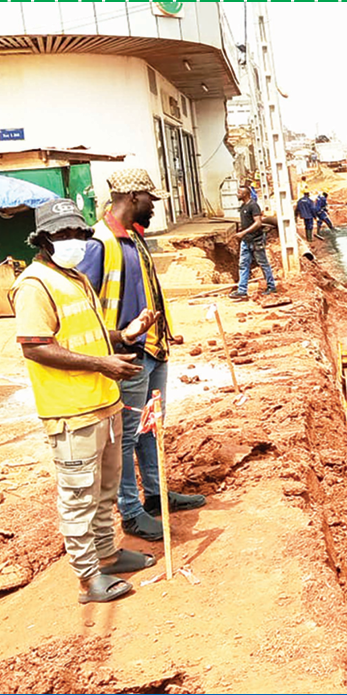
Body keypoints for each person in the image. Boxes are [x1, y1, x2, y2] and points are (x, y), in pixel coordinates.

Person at [11, 198, 161, 603]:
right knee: (78, 495)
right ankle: (87, 576)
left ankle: (107, 554)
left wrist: (126, 335)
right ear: (43, 239)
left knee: (105, 489)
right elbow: (37, 347)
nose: (74, 240)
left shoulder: (75, 277)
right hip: (70, 411)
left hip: (103, 401)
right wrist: (103, 364)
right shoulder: (34, 285)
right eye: (63, 234)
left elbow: (91, 331)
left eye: (78, 233)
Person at [79, 169, 206, 543]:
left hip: (152, 348)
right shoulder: (100, 243)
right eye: (151, 199)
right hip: (125, 355)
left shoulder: (132, 237)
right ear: (132, 196)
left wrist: (164, 331)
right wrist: (114, 342)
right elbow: (86, 306)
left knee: (151, 428)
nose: (154, 206)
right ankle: (131, 511)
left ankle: (155, 495)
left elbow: (146, 290)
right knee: (126, 436)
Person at [229, 185, 277, 301]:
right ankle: (242, 291)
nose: (237, 194)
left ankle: (271, 286)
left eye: (239, 192)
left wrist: (243, 232)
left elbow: (258, 223)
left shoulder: (253, 206)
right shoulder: (243, 206)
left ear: (245, 194)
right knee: (243, 265)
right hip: (246, 241)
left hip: (256, 241)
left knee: (263, 263)